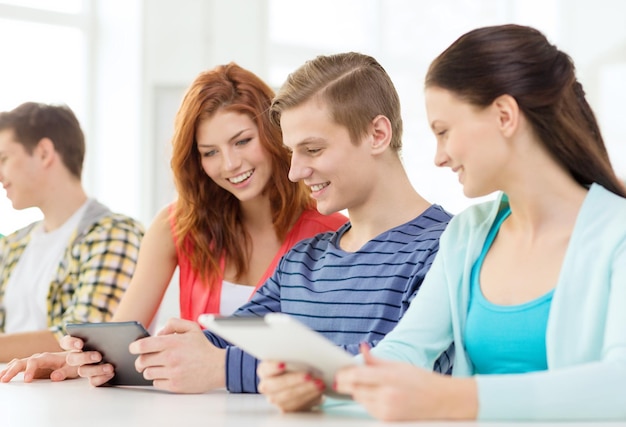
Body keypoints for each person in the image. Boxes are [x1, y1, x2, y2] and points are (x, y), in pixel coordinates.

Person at [4, 52, 454, 393]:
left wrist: (220, 368)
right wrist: (94, 361)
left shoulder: (448, 248)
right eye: (293, 152)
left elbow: (404, 377)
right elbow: (221, 339)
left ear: (378, 134)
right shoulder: (303, 260)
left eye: (312, 150)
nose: (295, 171)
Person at [261, 24, 626, 421]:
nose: (439, 157)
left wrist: (455, 399)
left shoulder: (615, 233)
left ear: (504, 116)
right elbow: (404, 352)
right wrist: (322, 387)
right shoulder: (468, 235)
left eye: (444, 131)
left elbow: (618, 384)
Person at [0, 102, 145, 363]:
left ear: (44, 153)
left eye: (3, 159)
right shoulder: (13, 244)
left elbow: (84, 338)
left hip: (69, 397)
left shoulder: (114, 234)